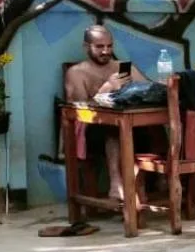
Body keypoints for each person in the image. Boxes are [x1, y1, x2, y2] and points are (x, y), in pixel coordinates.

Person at [63, 25, 148, 201]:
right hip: (92, 129)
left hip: (128, 123)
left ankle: (151, 185)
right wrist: (107, 88)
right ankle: (116, 184)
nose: (106, 51)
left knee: (152, 126)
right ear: (86, 47)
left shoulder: (123, 67)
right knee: (113, 129)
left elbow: (149, 90)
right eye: (100, 46)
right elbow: (79, 109)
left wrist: (137, 88)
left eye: (109, 46)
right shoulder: (76, 73)